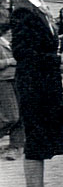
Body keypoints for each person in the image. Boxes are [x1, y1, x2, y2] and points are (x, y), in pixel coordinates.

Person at [11, 0, 63, 187]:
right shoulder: (24, 10)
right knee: (35, 144)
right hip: (34, 87)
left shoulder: (38, 8)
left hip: (44, 84)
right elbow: (23, 54)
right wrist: (58, 60)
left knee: (42, 143)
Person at [0, 18, 24, 161]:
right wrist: (9, 61)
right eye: (10, 32)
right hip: (3, 82)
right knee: (10, 116)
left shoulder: (13, 45)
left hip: (17, 80)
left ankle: (15, 147)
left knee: (20, 115)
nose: (12, 34)